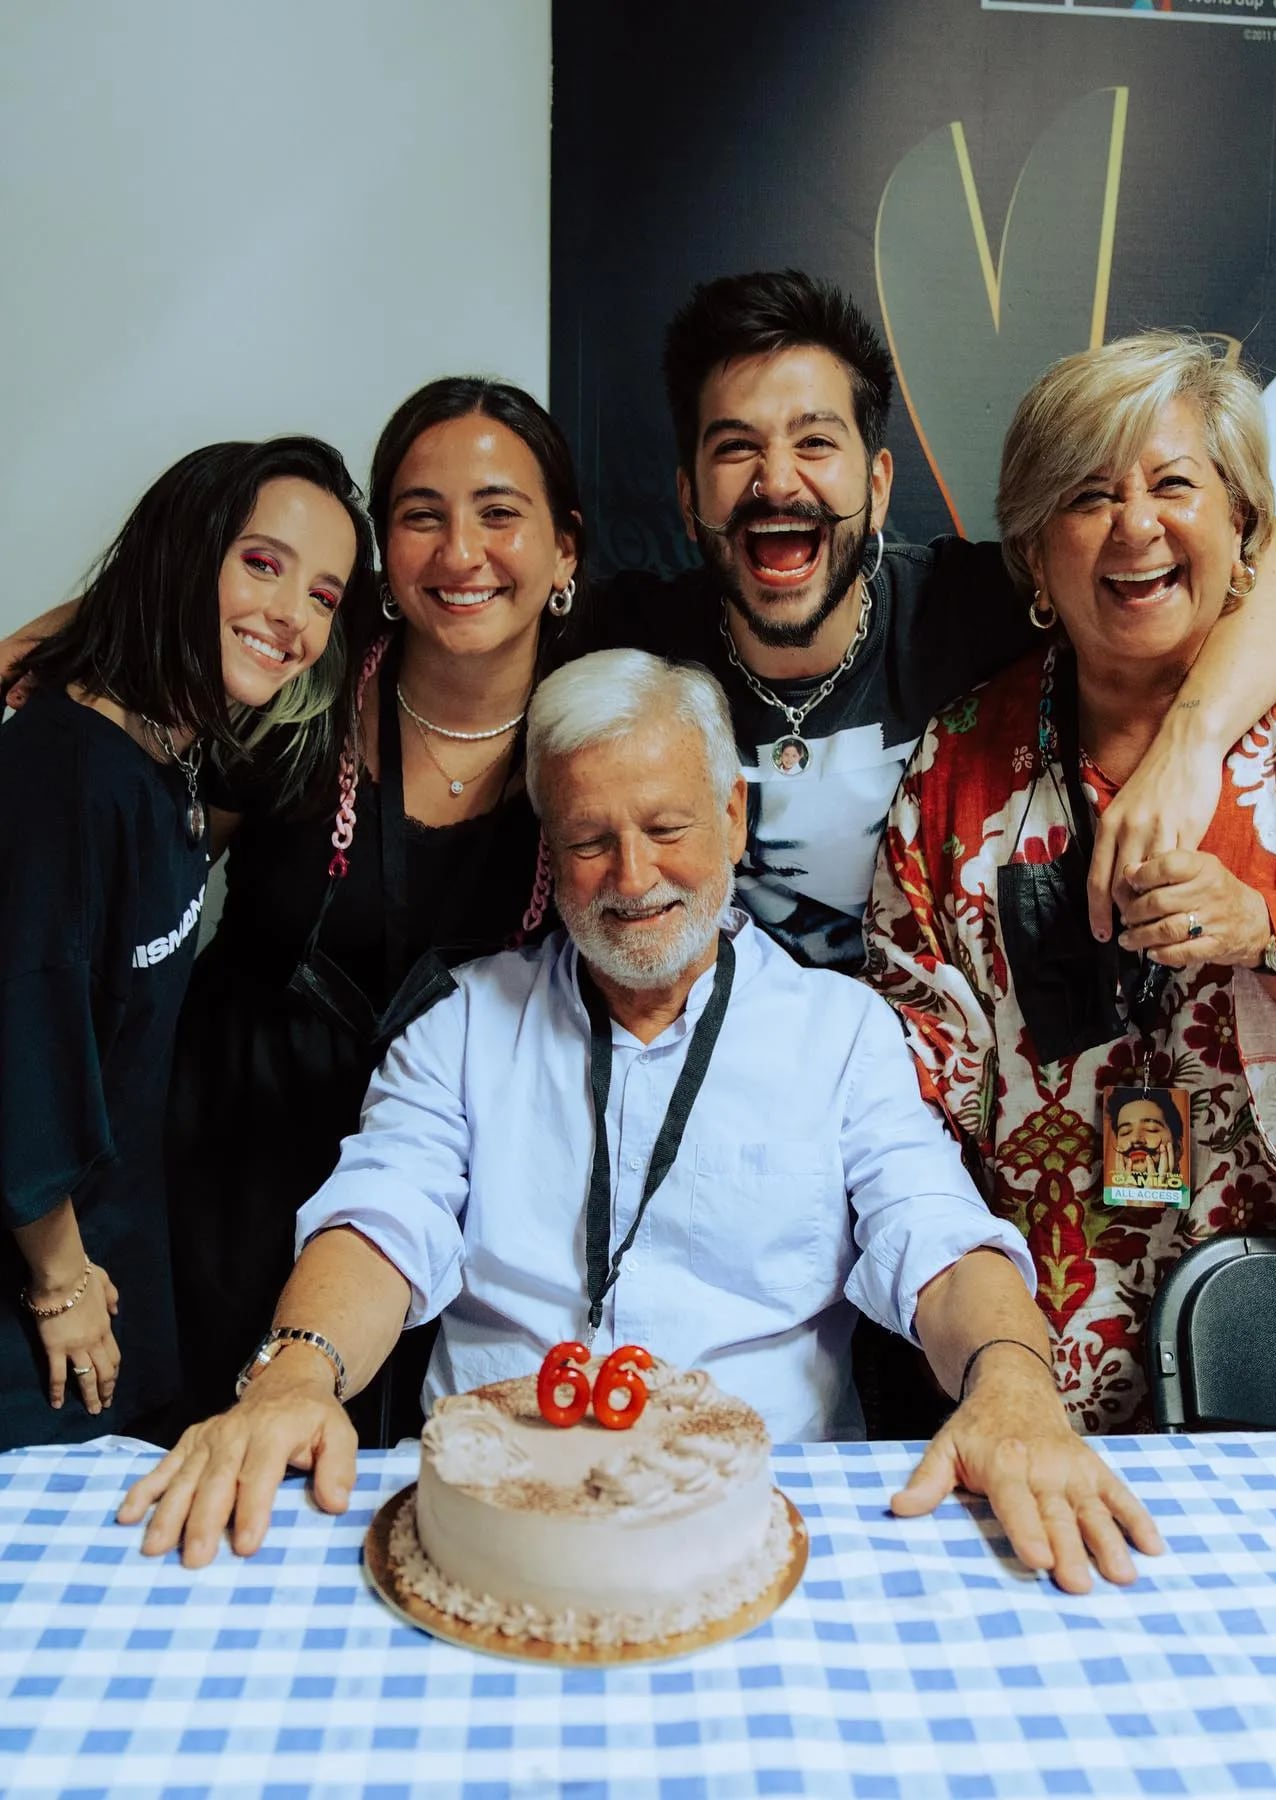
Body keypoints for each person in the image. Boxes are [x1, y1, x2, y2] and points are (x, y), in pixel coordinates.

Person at [117, 650, 1163, 1594]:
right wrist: (294, 1374)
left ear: (734, 819)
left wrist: (1017, 1384)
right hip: (492, 1523)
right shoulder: (463, 1024)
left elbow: (932, 1237)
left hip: (762, 1516)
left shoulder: (840, 1034)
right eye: (588, 840)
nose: (632, 878)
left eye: (666, 829)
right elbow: (381, 1219)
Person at [865, 332, 1276, 1433]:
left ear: (1240, 524)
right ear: (1035, 556)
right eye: (1087, 497)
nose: (1136, 526)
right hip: (1046, 1366)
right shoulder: (958, 767)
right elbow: (911, 1092)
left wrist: (1275, 929)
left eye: (1174, 483)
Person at [593, 269, 1276, 974]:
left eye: (815, 441)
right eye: (736, 447)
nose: (778, 479)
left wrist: (1189, 750)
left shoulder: (966, 604)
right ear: (690, 498)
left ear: (878, 485)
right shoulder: (630, 648)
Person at [162, 378, 585, 1440]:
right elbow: (142, 910)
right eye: (420, 515)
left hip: (461, 1209)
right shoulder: (295, 689)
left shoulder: (595, 737)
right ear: (381, 549)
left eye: (499, 513)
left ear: (564, 550)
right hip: (223, 1172)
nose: (460, 554)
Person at [0, 436, 367, 1449]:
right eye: (262, 563)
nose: (292, 618)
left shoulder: (170, 753)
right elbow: (22, 1040)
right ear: (183, 551)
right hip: (44, 1300)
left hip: (119, 1264)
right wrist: (58, 1279)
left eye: (324, 595)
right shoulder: (59, 774)